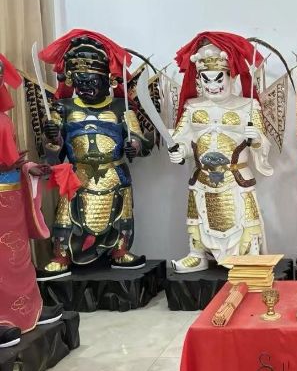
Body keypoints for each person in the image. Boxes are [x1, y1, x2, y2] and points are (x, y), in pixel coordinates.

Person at [38, 30, 151, 279]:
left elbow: (139, 137)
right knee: (66, 216)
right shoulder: (62, 108)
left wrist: (134, 145)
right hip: (77, 174)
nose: (85, 88)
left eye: (91, 82)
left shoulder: (121, 107)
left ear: (108, 80)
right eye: (80, 83)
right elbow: (53, 151)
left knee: (122, 214)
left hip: (114, 172)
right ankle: (61, 255)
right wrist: (53, 137)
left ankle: (120, 251)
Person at [168, 32, 272, 273]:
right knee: (198, 216)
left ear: (230, 76)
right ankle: (197, 254)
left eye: (218, 79)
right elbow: (182, 138)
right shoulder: (192, 107)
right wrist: (180, 151)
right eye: (206, 80)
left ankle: (248, 254)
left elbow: (262, 144)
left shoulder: (248, 106)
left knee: (244, 216)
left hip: (235, 176)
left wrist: (256, 139)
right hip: (203, 177)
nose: (212, 86)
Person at [0, 53, 62, 348]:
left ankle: (28, 308)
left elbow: (10, 157)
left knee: (18, 256)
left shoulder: (3, 118)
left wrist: (28, 168)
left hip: (10, 197)